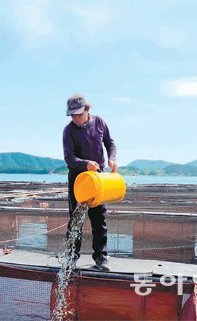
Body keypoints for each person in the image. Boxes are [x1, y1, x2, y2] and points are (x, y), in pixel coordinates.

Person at [62, 93, 117, 271]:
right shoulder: (68, 131)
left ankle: (101, 257)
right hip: (78, 179)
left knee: (99, 219)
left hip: (98, 179)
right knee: (76, 220)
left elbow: (110, 142)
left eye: (78, 114)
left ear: (87, 109)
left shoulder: (99, 122)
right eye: (72, 115)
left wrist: (112, 158)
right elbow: (69, 158)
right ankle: (71, 257)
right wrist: (85, 164)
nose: (75, 118)